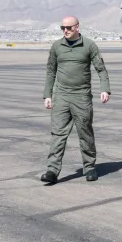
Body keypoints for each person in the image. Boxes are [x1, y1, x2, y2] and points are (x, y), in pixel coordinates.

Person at [41, 16, 110, 185]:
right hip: (62, 96)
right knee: (58, 133)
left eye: (69, 27)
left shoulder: (89, 45)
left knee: (85, 133)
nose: (65, 30)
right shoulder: (57, 46)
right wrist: (47, 94)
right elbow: (50, 71)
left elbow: (101, 69)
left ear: (77, 27)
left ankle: (90, 167)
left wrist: (105, 89)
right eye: (62, 27)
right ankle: (52, 170)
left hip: (81, 96)